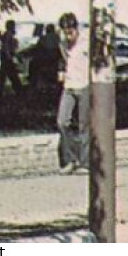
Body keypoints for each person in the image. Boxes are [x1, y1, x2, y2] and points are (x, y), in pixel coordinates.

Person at [55, 12, 89, 173]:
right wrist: (62, 70)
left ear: (76, 29)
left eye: (71, 32)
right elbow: (63, 59)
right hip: (69, 85)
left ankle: (84, 162)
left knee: (84, 124)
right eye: (65, 33)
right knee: (62, 121)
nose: (69, 37)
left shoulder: (86, 42)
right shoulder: (62, 44)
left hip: (84, 85)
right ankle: (70, 159)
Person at [0, 20, 25, 96]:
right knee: (11, 74)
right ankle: (19, 90)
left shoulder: (9, 34)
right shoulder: (8, 34)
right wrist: (9, 56)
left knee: (4, 75)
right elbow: (6, 46)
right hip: (7, 56)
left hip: (7, 56)